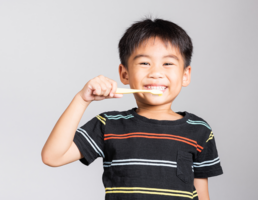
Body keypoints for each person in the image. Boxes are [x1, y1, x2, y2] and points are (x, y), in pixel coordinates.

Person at [41, 17, 223, 200]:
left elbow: (202, 194)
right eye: (144, 63)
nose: (156, 73)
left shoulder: (199, 130)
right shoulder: (108, 125)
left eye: (168, 63)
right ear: (124, 74)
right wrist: (81, 99)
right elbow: (53, 157)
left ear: (185, 75)